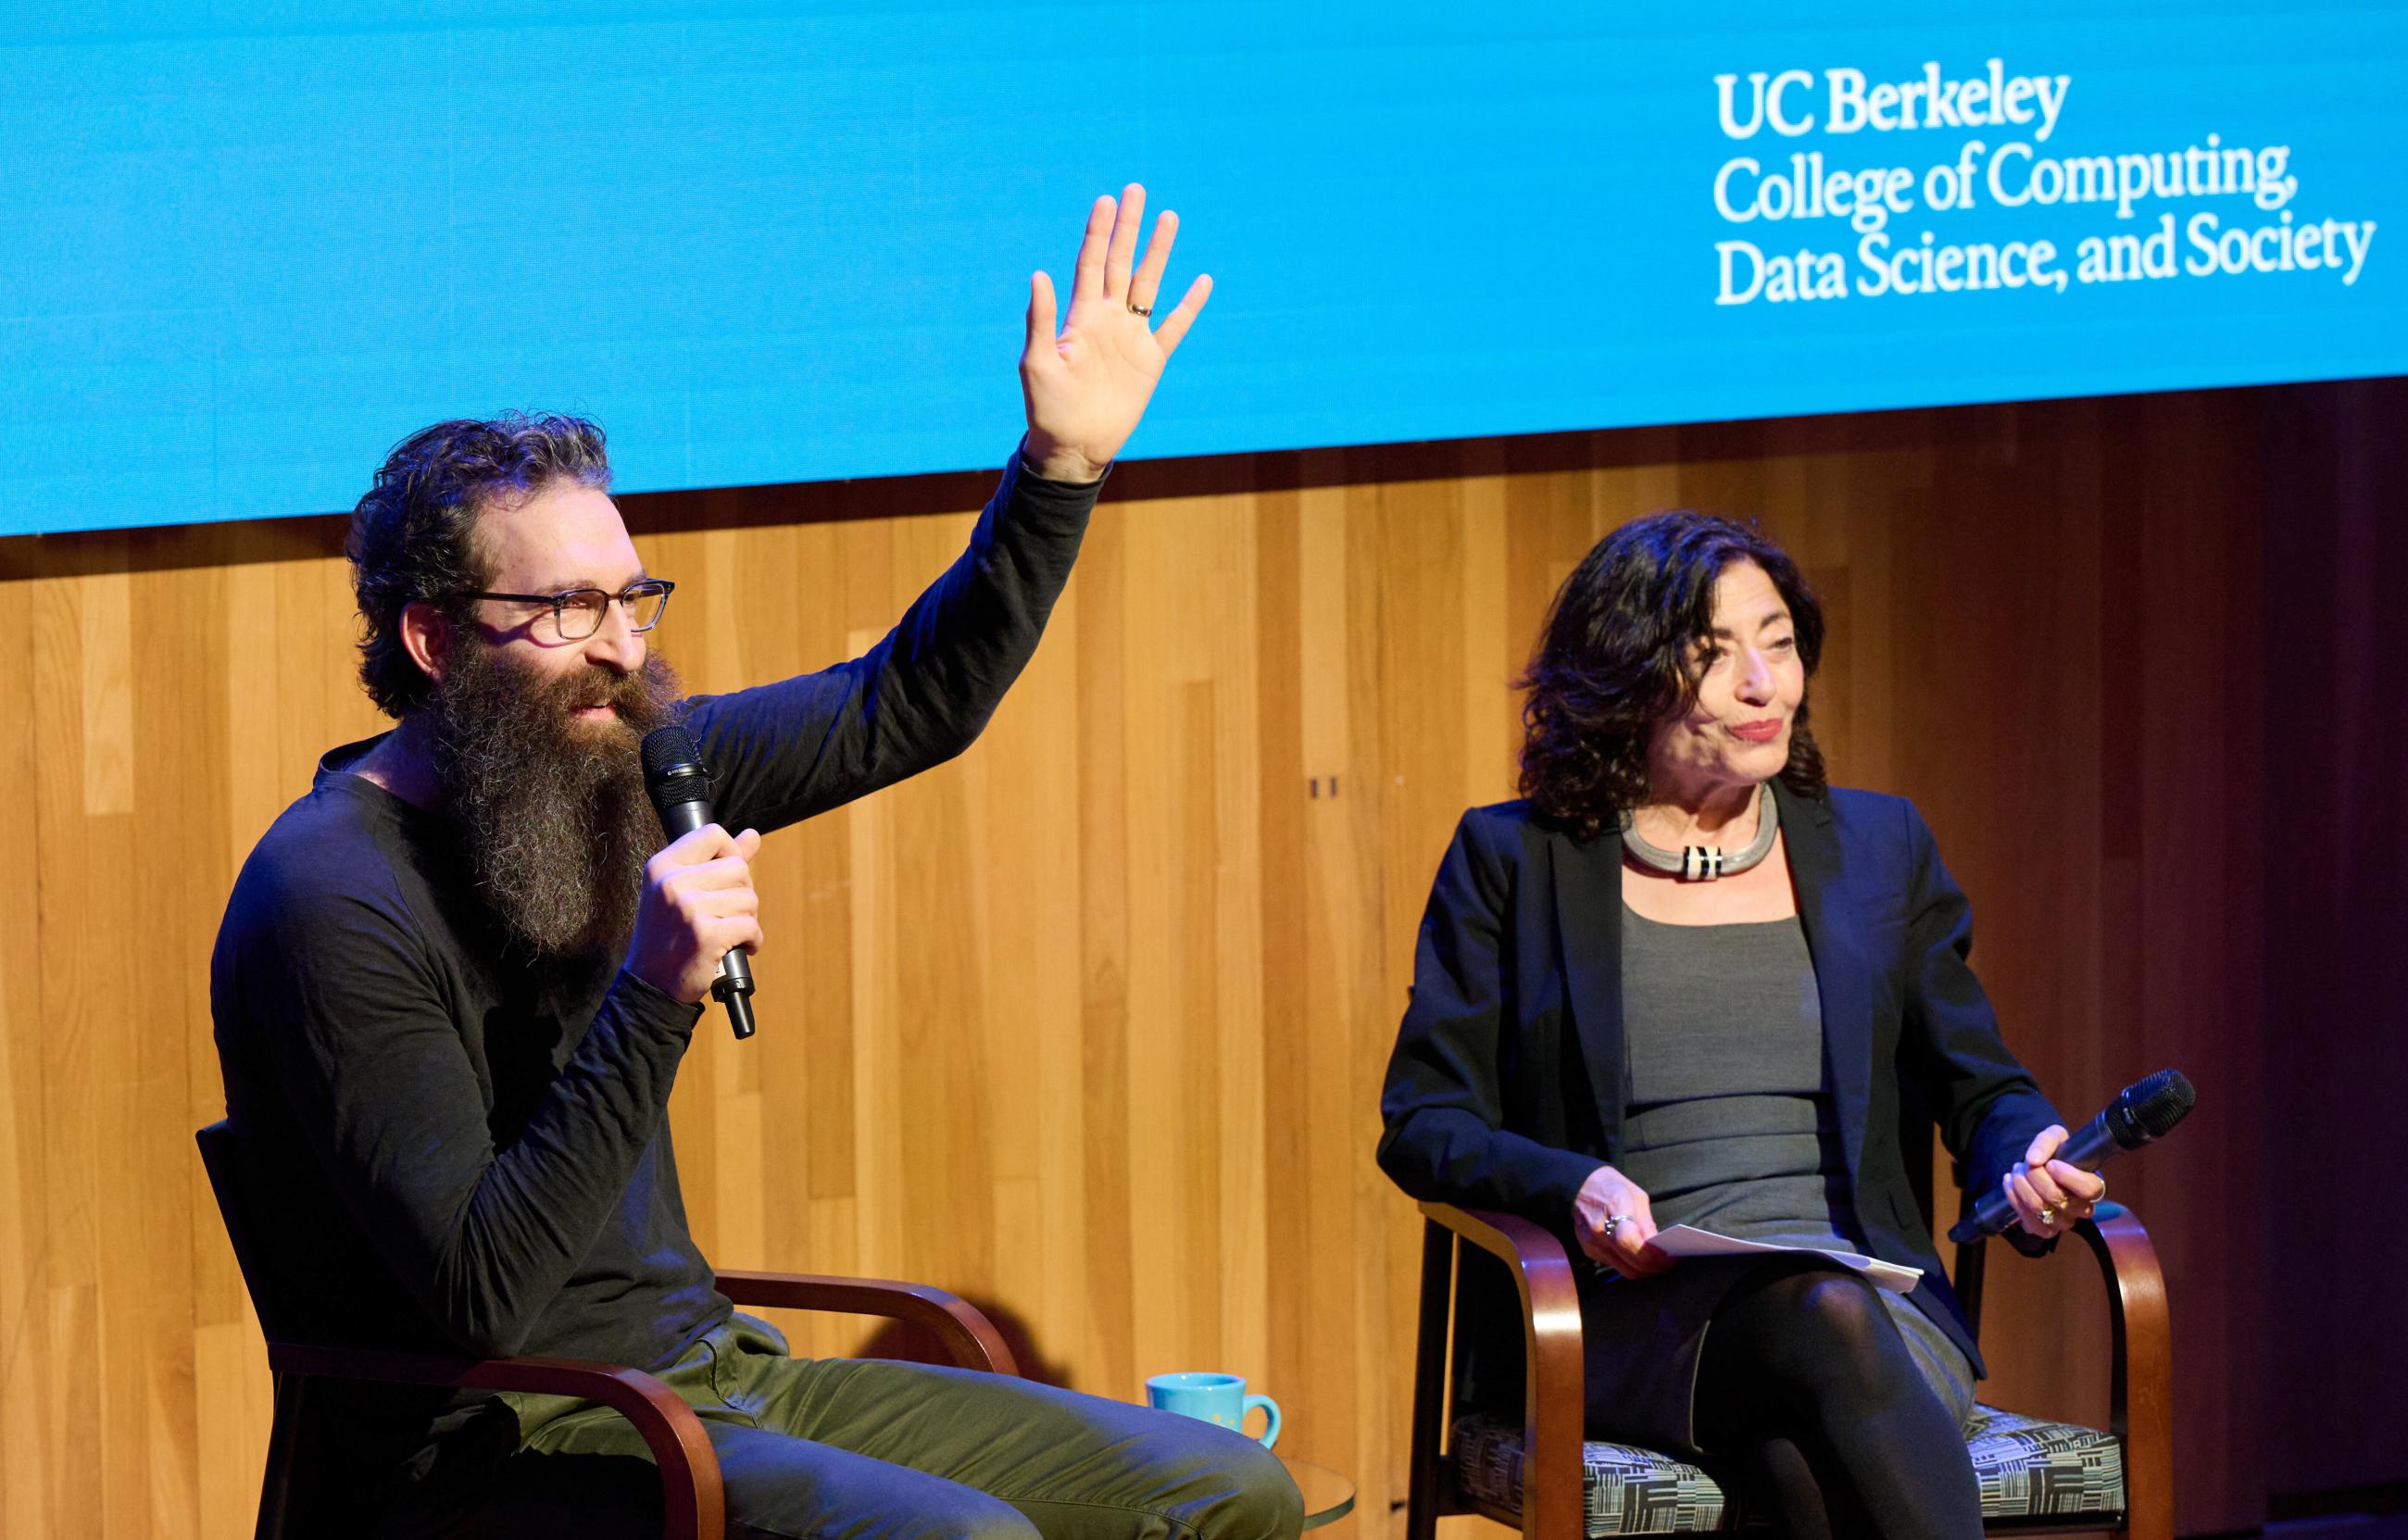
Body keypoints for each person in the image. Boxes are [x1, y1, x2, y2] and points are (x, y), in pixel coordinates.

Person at [212, 186, 1301, 1540]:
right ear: (433, 640)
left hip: (711, 1379)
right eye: (563, 608)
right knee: (964, 1538)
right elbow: (481, 1292)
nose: (619, 642)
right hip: (510, 1434)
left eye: (629, 595)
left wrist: (1056, 470)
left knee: (1228, 1486)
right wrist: (655, 994)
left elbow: (911, 699)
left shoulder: (622, 762)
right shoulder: (331, 901)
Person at [1375, 510, 2107, 1539]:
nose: (1765, 684)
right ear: (1622, 677)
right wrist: (1568, 1184)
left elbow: (1977, 1083)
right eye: (1715, 657)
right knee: (1817, 1339)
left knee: (1802, 1425)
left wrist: (2024, 1152)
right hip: (1632, 1319)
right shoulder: (1515, 860)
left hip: (1873, 1311)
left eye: (1778, 640)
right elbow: (1421, 1120)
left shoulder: (1876, 846)